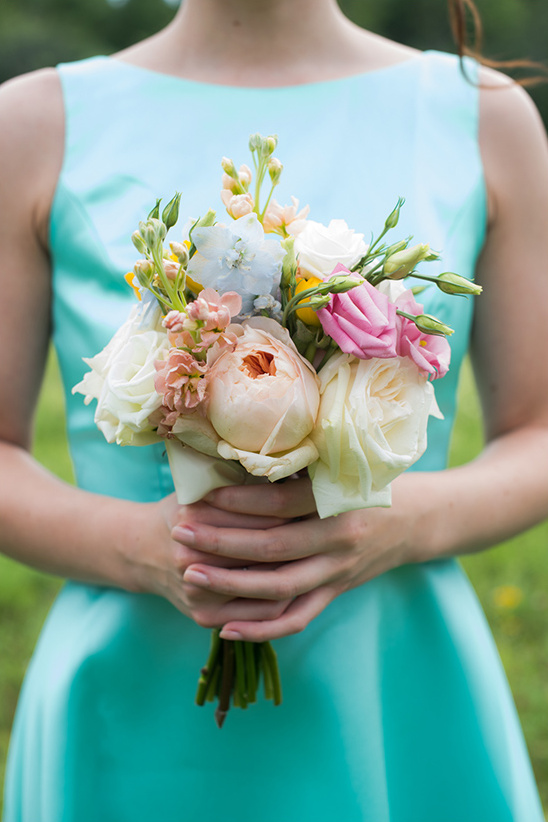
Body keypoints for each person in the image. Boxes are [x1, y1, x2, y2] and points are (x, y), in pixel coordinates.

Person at [1, 0, 548, 819]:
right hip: (129, 705)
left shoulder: (486, 117)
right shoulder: (32, 123)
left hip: (393, 693)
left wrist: (395, 523)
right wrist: (146, 550)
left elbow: (537, 433)